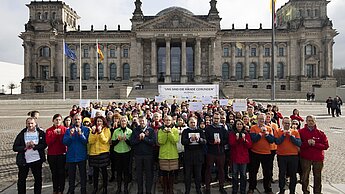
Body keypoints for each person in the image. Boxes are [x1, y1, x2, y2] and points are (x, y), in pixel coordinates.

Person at [13, 117, 47, 194]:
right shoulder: (22, 133)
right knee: (21, 180)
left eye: (32, 123)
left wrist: (35, 146)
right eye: (28, 123)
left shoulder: (40, 133)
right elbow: (15, 147)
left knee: (38, 179)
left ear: (35, 124)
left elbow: (44, 145)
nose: (30, 125)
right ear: (26, 124)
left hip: (37, 159)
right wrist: (25, 147)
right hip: (24, 160)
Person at [299, 115, 329, 194]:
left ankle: (317, 192)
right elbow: (299, 144)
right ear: (306, 121)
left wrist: (315, 144)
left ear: (315, 121)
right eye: (309, 120)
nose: (310, 122)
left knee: (318, 176)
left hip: (318, 158)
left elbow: (326, 146)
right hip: (306, 158)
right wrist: (307, 143)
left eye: (312, 120)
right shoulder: (301, 132)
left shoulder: (320, 133)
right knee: (305, 176)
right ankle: (306, 191)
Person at [247, 113, 275, 194]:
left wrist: (267, 135)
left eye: (263, 119)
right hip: (255, 153)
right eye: (260, 119)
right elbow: (253, 140)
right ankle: (251, 187)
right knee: (253, 172)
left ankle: (268, 188)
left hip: (266, 153)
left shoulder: (269, 128)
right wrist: (259, 134)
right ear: (257, 119)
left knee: (267, 172)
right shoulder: (253, 128)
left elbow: (272, 140)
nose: (261, 120)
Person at [63, 114, 90, 194]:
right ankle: (71, 189)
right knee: (71, 175)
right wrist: (70, 136)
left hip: (81, 156)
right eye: (75, 119)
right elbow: (65, 142)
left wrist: (81, 135)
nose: (77, 121)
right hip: (71, 156)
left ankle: (83, 189)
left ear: (81, 120)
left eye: (78, 119)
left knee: (83, 174)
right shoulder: (68, 130)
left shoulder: (85, 129)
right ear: (73, 120)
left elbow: (86, 142)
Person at [275, 117, 301, 194]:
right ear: (282, 123)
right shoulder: (278, 131)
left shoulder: (295, 132)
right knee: (282, 173)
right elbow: (277, 142)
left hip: (293, 156)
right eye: (285, 123)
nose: (287, 125)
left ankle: (292, 191)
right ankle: (281, 190)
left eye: (288, 123)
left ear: (290, 124)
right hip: (282, 155)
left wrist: (291, 136)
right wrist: (283, 135)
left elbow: (299, 143)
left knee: (293, 174)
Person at [130, 116, 156, 194]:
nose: (142, 122)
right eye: (140, 121)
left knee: (149, 174)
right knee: (139, 174)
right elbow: (132, 142)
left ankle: (148, 191)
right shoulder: (135, 130)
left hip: (148, 155)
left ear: (146, 121)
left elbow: (153, 142)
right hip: (138, 155)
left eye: (143, 121)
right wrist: (139, 138)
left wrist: (144, 139)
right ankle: (140, 190)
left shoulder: (151, 130)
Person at [204, 112, 229, 194]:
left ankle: (221, 187)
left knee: (221, 170)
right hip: (210, 152)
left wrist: (221, 142)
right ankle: (207, 188)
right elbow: (206, 140)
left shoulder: (223, 129)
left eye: (217, 119)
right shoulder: (208, 128)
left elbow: (226, 140)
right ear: (212, 119)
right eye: (215, 118)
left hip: (220, 152)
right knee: (208, 170)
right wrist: (212, 142)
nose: (216, 120)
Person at [181, 117, 206, 194]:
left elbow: (204, 141)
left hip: (198, 156)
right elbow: (183, 141)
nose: (193, 124)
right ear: (188, 123)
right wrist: (190, 140)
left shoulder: (200, 131)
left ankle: (198, 189)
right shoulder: (185, 131)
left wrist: (199, 140)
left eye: (194, 122)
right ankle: (187, 190)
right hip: (188, 156)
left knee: (198, 175)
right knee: (187, 175)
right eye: (191, 122)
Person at [228, 119, 252, 194]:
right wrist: (237, 139)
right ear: (235, 125)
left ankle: (242, 190)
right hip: (235, 157)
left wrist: (244, 139)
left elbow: (249, 145)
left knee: (243, 175)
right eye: (238, 124)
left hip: (244, 157)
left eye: (240, 124)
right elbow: (231, 144)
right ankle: (234, 190)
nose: (239, 126)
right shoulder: (232, 134)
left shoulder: (246, 134)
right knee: (234, 175)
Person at [88, 116, 111, 194]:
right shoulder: (92, 129)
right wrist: (94, 133)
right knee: (95, 172)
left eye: (100, 121)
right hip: (94, 153)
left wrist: (100, 132)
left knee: (104, 171)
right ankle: (95, 187)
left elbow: (105, 140)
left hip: (103, 153)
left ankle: (105, 187)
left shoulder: (107, 129)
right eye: (97, 121)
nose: (99, 123)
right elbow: (90, 141)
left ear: (103, 122)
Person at [46, 114, 67, 194]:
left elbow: (65, 142)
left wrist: (60, 135)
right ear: (53, 120)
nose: (57, 121)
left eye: (59, 120)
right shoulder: (49, 130)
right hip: (52, 155)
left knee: (61, 173)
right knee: (54, 173)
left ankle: (61, 189)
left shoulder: (64, 129)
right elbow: (48, 143)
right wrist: (55, 135)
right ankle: (55, 189)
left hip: (62, 154)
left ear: (61, 121)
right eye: (56, 120)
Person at [158, 115, 179, 194]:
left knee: (172, 174)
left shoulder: (175, 130)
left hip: (173, 155)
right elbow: (161, 141)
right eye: (166, 120)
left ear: (172, 121)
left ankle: (171, 189)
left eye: (169, 120)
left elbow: (174, 140)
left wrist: (170, 133)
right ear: (164, 121)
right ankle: (165, 189)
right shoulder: (161, 130)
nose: (167, 121)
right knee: (164, 173)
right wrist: (165, 132)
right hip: (163, 155)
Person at [112, 116, 132, 194]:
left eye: (124, 121)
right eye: (122, 121)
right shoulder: (116, 131)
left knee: (126, 171)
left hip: (126, 152)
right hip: (117, 153)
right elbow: (112, 143)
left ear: (127, 122)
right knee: (119, 171)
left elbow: (131, 144)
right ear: (119, 122)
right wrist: (118, 140)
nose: (123, 122)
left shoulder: (130, 131)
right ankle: (119, 188)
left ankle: (126, 188)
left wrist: (126, 140)